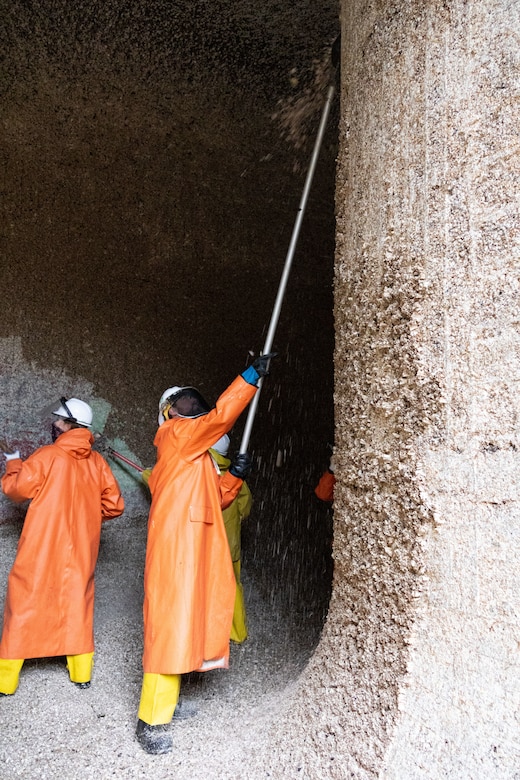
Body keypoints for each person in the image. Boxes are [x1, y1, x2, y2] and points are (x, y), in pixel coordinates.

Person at [136, 353, 275, 755]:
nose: (191, 404)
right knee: (169, 626)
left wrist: (233, 476)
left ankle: (169, 702)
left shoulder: (190, 457)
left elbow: (215, 498)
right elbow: (218, 418)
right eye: (181, 401)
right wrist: (249, 378)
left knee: (183, 622)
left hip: (188, 549)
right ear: (168, 414)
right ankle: (151, 720)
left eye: (193, 398)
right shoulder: (178, 436)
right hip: (177, 549)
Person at [0, 397, 124, 695]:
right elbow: (114, 505)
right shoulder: (97, 462)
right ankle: (81, 673)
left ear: (68, 425)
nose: (53, 425)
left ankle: (6, 681)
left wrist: (14, 461)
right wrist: (88, 518)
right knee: (76, 602)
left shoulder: (47, 456)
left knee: (25, 601)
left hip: (41, 546)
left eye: (57, 420)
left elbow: (16, 490)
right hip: (81, 548)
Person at [209, 434, 252, 644]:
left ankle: (210, 634)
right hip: (231, 544)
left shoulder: (203, 473)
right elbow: (246, 507)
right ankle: (238, 633)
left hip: (208, 546)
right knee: (233, 588)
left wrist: (147, 474)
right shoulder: (235, 478)